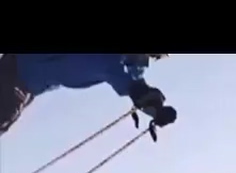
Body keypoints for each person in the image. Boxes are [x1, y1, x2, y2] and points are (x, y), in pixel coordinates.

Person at [0, 54, 177, 137]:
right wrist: (143, 95)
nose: (148, 60)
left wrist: (154, 107)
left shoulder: (120, 62)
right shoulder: (108, 61)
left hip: (24, 78)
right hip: (17, 75)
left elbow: (133, 74)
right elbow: (116, 72)